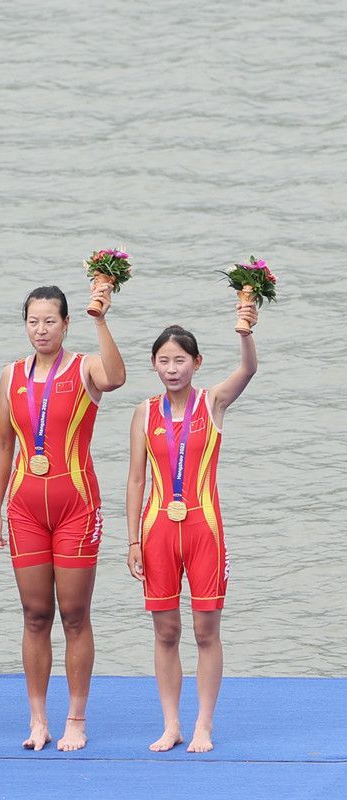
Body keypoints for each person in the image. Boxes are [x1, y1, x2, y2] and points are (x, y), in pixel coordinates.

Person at [0, 282, 126, 751]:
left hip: (76, 507)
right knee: (34, 615)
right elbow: (3, 444)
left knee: (73, 615)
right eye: (33, 321)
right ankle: (38, 719)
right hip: (24, 509)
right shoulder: (10, 375)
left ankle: (76, 718)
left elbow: (117, 377)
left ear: (65, 323)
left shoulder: (84, 367)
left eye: (50, 321)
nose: (41, 329)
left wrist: (100, 318)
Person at [125, 309, 258, 754]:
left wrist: (245, 333)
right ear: (154, 365)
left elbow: (248, 370)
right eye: (163, 361)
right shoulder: (144, 413)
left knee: (205, 630)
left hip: (204, 529)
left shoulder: (213, 403)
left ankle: (203, 723)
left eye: (180, 360)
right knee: (164, 631)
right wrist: (131, 542)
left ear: (196, 363)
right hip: (157, 529)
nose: (172, 369)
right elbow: (136, 480)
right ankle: (171, 724)